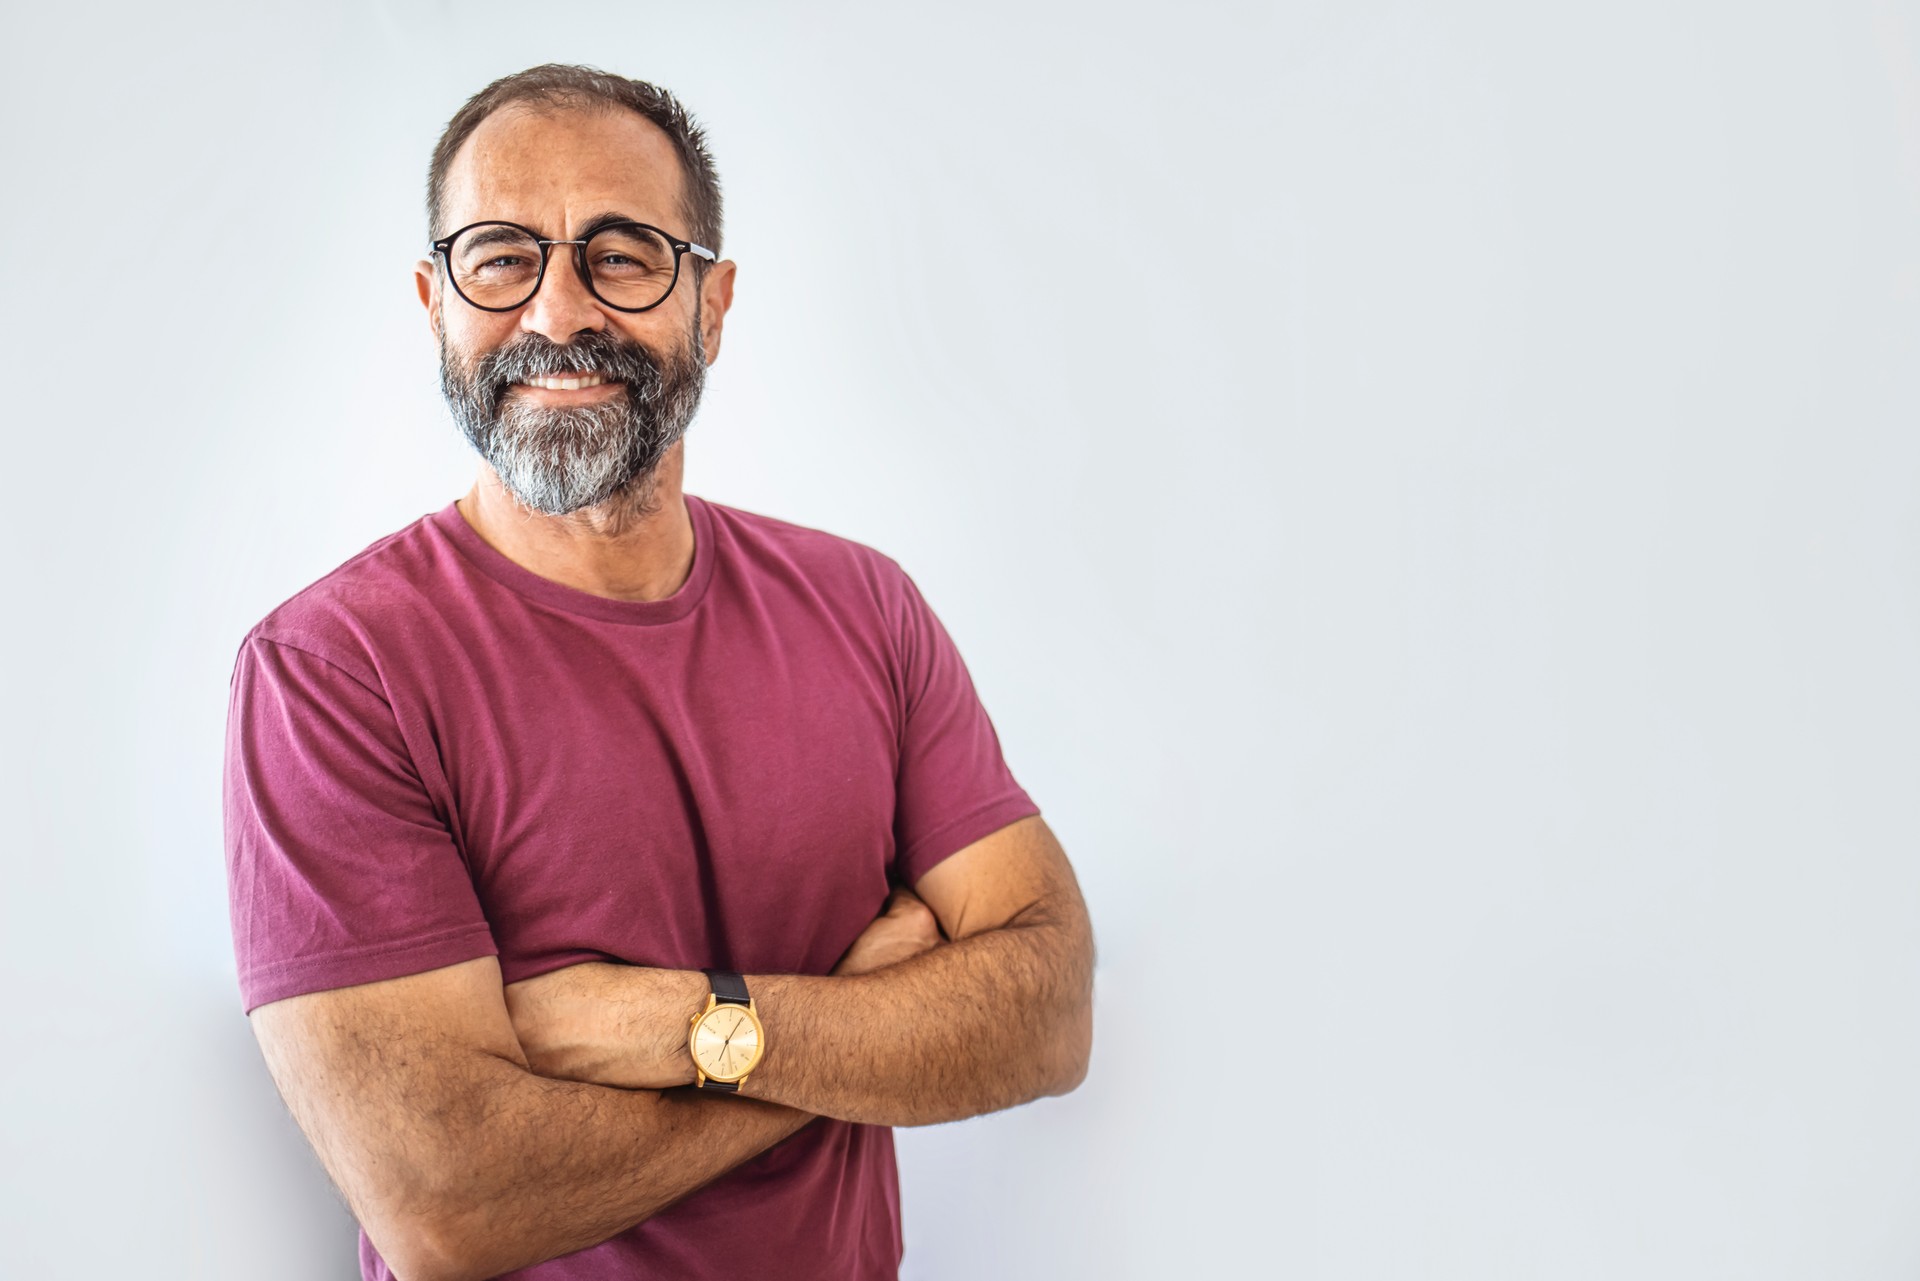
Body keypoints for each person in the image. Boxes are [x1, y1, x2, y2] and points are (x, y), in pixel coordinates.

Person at [221, 62, 1095, 1281]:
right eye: (500, 257)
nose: (558, 314)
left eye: (622, 256)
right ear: (434, 300)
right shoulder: (331, 672)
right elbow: (445, 1206)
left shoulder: (863, 606)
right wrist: (829, 1042)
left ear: (714, 302)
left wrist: (678, 1025)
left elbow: (1046, 1010)